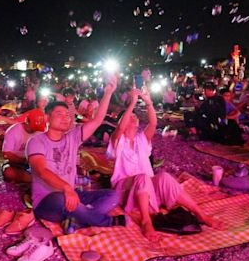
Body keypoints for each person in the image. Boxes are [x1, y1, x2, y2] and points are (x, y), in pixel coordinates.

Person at [108, 88, 221, 241]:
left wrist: (148, 103)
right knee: (142, 178)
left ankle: (200, 214)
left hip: (144, 187)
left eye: (135, 116)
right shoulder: (118, 141)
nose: (134, 118)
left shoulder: (141, 139)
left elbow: (154, 123)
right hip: (123, 188)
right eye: (130, 116)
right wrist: (132, 103)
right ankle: (146, 221)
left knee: (164, 177)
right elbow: (120, 128)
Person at [26, 75, 121, 230]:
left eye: (67, 116)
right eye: (59, 115)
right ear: (47, 118)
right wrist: (67, 188)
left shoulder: (72, 137)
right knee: (62, 200)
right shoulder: (37, 141)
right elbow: (41, 171)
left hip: (71, 194)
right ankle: (105, 221)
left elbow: (97, 121)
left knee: (112, 196)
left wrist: (108, 93)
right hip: (48, 200)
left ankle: (77, 218)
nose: (65, 118)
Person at [1, 111, 45, 183]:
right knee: (8, 172)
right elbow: (6, 154)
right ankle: (36, 179)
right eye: (34, 127)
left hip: (34, 163)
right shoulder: (13, 131)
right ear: (27, 121)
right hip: (16, 162)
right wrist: (23, 161)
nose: (35, 130)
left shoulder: (40, 131)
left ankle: (35, 179)